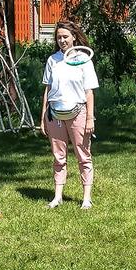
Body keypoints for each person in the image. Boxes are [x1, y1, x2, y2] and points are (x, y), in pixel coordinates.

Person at [41, 20, 99, 210]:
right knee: (59, 157)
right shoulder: (52, 60)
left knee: (83, 155)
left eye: (65, 36)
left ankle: (86, 198)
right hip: (55, 114)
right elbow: (48, 90)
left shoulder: (84, 60)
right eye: (59, 37)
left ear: (74, 37)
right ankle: (57, 197)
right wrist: (43, 117)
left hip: (78, 113)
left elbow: (89, 92)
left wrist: (89, 118)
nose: (62, 40)